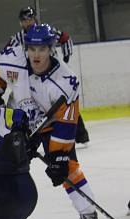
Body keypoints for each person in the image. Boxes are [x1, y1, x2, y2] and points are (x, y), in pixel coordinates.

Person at [0, 24, 100, 219]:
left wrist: (58, 157)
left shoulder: (66, 82)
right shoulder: (13, 61)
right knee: (3, 166)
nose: (36, 54)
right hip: (21, 123)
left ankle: (88, 212)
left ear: (51, 49)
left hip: (51, 124)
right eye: (31, 48)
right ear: (26, 49)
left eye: (42, 49)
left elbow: (67, 123)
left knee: (68, 168)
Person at [5, 6, 90, 148]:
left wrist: (66, 57)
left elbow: (65, 38)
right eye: (25, 20)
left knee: (66, 103)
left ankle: (81, 135)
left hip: (55, 74)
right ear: (20, 22)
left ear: (35, 18)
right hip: (36, 75)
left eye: (30, 18)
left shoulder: (46, 30)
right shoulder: (19, 37)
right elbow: (7, 52)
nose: (28, 22)